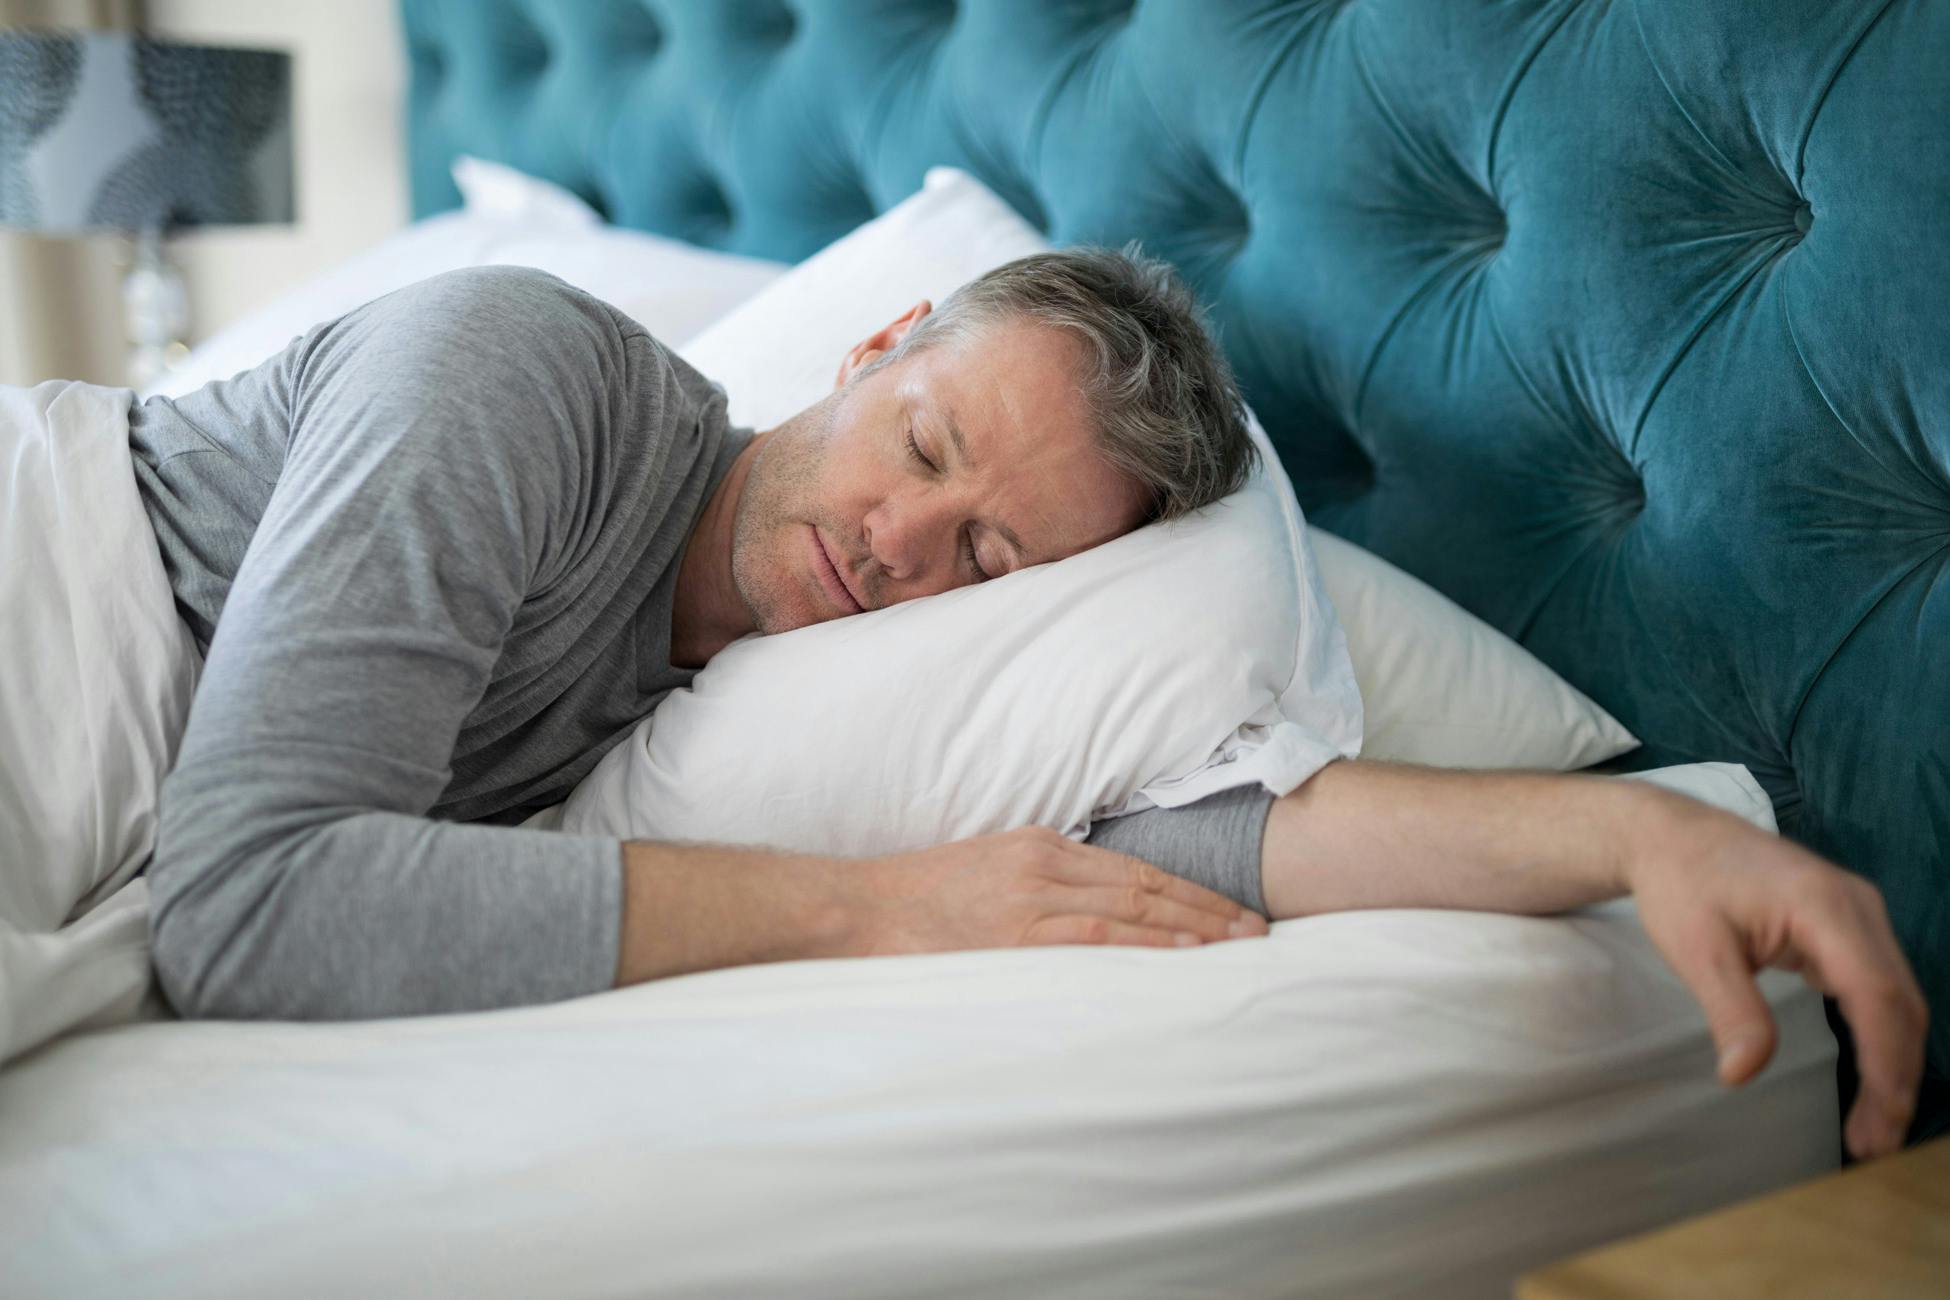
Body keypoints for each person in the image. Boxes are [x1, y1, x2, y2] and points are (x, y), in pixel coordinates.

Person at [135, 250, 1924, 1164]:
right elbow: (250, 902)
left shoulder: (762, 705)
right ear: (873, 343)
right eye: (921, 445)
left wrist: (1636, 826)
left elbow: (1210, 834)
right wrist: (881, 913)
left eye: (990, 554)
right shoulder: (519, 372)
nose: (900, 546)